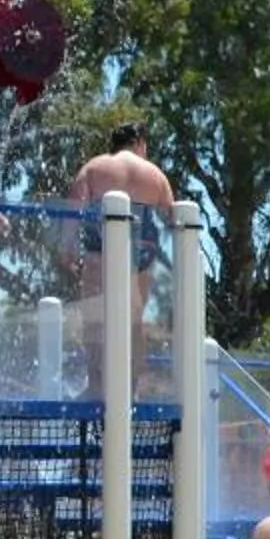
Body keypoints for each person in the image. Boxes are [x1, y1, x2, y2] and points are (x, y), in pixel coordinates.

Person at [68, 121, 176, 392]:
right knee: (135, 317)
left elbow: (73, 209)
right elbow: (174, 215)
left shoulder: (94, 167)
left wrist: (66, 245)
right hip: (144, 242)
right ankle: (132, 386)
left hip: (101, 241)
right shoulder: (155, 173)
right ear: (139, 143)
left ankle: (95, 381)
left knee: (94, 312)